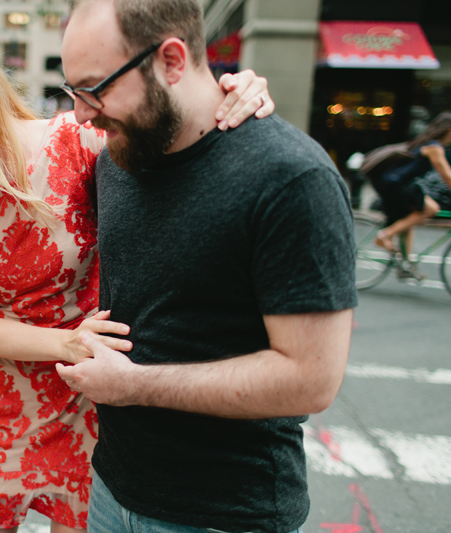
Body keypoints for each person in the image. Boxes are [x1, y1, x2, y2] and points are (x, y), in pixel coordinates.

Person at [0, 23, 273, 533]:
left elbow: (177, 143)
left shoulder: (77, 142)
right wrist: (71, 343)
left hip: (89, 396)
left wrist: (235, 90)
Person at [55, 1, 358, 533]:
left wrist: (134, 385)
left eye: (95, 88)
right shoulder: (115, 157)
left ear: (172, 60)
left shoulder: (291, 179)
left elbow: (311, 379)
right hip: (109, 491)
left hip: (225, 515)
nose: (82, 112)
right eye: (72, 90)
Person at [371, 112, 451, 262]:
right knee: (431, 209)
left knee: (409, 217)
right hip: (396, 184)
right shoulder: (434, 148)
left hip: (392, 182)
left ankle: (406, 265)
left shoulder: (427, 142)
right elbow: (446, 175)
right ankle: (385, 235)